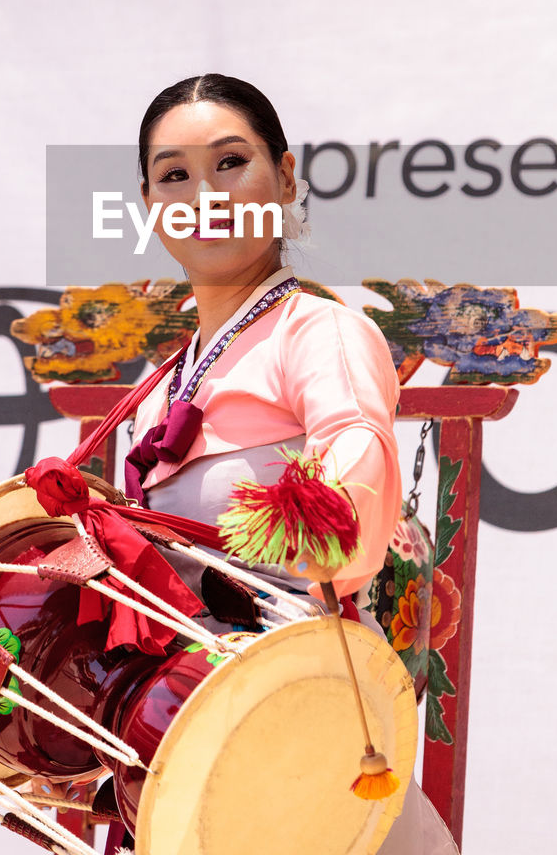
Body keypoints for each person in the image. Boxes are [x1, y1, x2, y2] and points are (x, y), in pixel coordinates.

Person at [119, 72, 458, 855]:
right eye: (175, 175)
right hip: (194, 734)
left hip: (299, 725)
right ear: (150, 205)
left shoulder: (320, 335)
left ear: (288, 175)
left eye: (230, 162)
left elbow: (351, 516)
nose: (204, 192)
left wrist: (294, 519)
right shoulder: (173, 374)